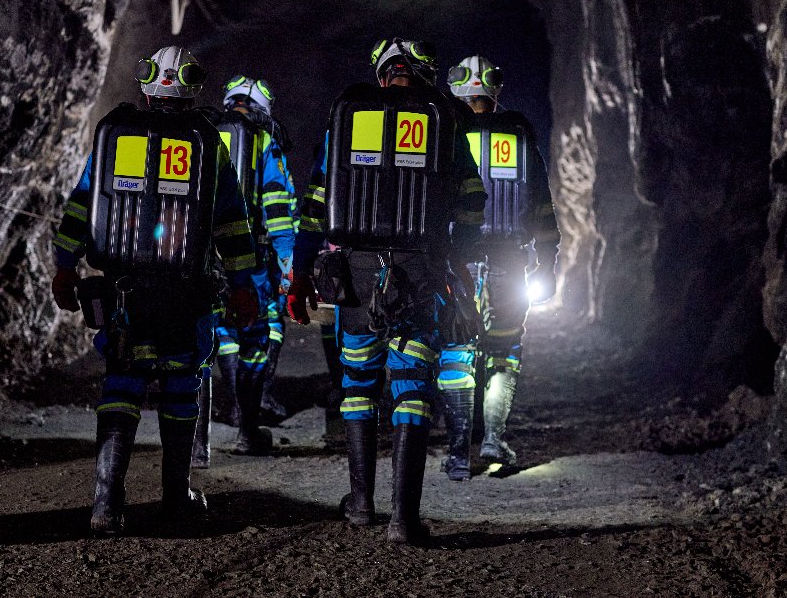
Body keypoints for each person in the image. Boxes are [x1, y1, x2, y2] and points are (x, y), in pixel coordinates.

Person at [50, 45, 261, 535]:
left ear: (147, 87)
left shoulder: (115, 137)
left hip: (123, 291)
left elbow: (82, 205)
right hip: (184, 294)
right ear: (192, 90)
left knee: (122, 382)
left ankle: (106, 504)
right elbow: (232, 223)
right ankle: (175, 498)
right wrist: (243, 284)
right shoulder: (207, 143)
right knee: (181, 384)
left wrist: (65, 266)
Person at [287, 38, 486, 545]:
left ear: (381, 74)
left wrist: (300, 273)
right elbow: (471, 200)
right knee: (412, 387)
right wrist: (457, 260)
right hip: (421, 271)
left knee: (357, 384)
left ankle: (360, 504)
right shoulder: (443, 120)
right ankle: (403, 519)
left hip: (354, 273)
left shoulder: (348, 118)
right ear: (424, 75)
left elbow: (314, 203)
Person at [436, 55, 560, 480]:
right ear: (495, 91)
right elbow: (542, 206)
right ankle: (492, 439)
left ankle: (458, 454)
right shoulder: (521, 137)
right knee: (504, 350)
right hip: (510, 260)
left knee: (456, 350)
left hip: (458, 261)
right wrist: (548, 262)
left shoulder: (445, 134)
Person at [192, 75, 296, 464]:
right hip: (248, 258)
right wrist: (288, 263)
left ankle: (196, 446)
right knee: (254, 339)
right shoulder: (263, 140)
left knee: (206, 341)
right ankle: (247, 432)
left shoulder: (200, 134)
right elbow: (278, 208)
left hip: (199, 259)